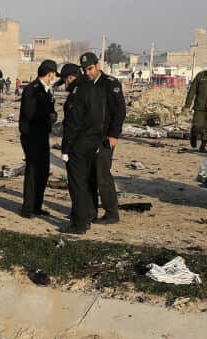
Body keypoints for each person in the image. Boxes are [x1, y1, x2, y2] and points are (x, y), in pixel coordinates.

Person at [80, 52, 124, 225]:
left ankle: (112, 212)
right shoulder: (85, 83)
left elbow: (119, 111)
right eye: (84, 70)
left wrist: (114, 134)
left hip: (104, 138)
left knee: (102, 175)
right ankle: (90, 211)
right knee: (88, 175)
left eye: (90, 69)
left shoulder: (110, 83)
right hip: (87, 137)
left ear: (97, 66)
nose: (87, 73)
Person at [18, 60, 59, 218]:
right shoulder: (32, 89)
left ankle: (37, 206)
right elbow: (29, 113)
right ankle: (27, 208)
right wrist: (48, 116)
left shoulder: (47, 90)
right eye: (54, 74)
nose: (54, 77)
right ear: (49, 74)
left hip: (42, 135)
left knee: (43, 171)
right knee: (33, 171)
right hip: (31, 135)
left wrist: (51, 116)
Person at [59, 63, 98, 233]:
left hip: (78, 144)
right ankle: (88, 215)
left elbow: (72, 123)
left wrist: (65, 148)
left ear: (70, 77)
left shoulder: (78, 92)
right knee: (87, 181)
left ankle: (79, 223)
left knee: (77, 183)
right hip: (91, 141)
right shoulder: (92, 87)